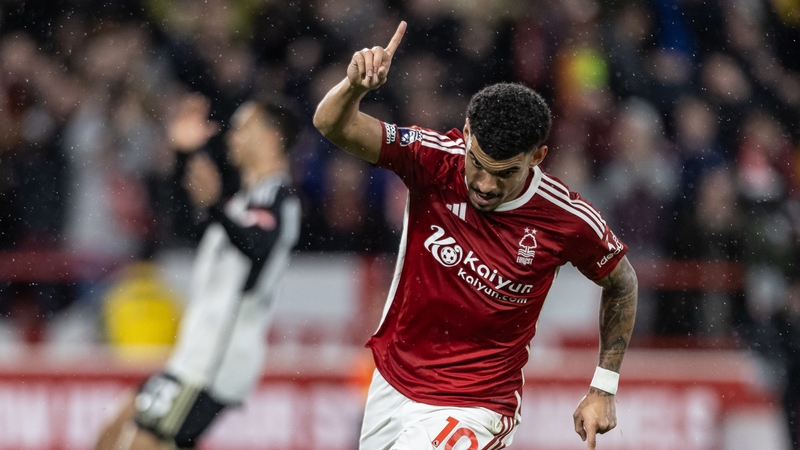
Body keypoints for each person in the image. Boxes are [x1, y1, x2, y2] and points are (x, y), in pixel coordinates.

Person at [313, 21, 638, 450]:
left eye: (503, 173)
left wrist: (603, 386)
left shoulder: (566, 218)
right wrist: (354, 87)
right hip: (392, 383)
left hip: (476, 403)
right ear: (466, 134)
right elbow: (332, 125)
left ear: (537, 156)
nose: (484, 183)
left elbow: (622, 282)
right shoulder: (433, 161)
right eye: (477, 163)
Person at [95, 93, 302, 450]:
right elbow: (185, 224)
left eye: (243, 127)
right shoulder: (240, 202)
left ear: (271, 138)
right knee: (113, 431)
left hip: (216, 362)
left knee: (140, 441)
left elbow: (257, 244)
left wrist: (215, 206)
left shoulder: (281, 200)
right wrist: (184, 155)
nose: (232, 135)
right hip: (192, 355)